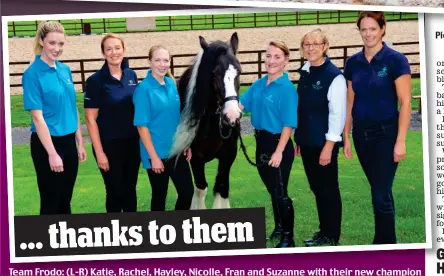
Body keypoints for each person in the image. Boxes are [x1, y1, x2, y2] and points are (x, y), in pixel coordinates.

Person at [343, 11, 411, 244]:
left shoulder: (396, 60)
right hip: (362, 136)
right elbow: (350, 100)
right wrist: (347, 135)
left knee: (380, 194)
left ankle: (385, 244)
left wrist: (400, 140)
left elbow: (405, 103)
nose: (368, 34)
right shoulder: (353, 62)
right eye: (364, 29)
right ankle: (384, 241)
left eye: (373, 28)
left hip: (387, 135)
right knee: (379, 190)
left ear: (382, 29)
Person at [22, 21, 87, 215]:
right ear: (41, 41)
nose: (57, 49)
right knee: (51, 202)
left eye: (61, 44)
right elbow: (37, 118)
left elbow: (72, 106)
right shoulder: (32, 74)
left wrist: (80, 142)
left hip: (68, 142)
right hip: (47, 145)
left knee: (66, 200)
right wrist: (52, 153)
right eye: (52, 43)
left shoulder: (65, 70)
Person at [239, 41, 298, 248]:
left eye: (277, 57)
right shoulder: (258, 84)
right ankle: (279, 227)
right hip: (261, 143)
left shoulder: (287, 89)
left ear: (286, 61)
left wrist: (279, 152)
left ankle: (288, 238)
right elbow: (241, 105)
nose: (271, 61)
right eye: (268, 56)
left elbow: (289, 124)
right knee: (273, 190)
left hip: (277, 144)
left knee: (281, 193)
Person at [294, 29, 347, 247]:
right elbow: (303, 109)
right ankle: (323, 230)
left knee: (328, 189)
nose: (311, 48)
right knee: (317, 188)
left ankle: (331, 235)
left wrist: (329, 146)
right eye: (307, 44)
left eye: (316, 43)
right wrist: (299, 139)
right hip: (307, 142)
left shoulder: (334, 76)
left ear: (325, 46)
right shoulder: (305, 72)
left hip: (324, 144)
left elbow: (338, 114)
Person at [84, 33, 141, 213]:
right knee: (115, 190)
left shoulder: (132, 75)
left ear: (124, 50)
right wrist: (99, 153)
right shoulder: (95, 81)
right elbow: (90, 119)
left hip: (132, 143)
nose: (113, 52)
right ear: (103, 53)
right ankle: (114, 231)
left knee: (130, 188)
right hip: (108, 145)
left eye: (117, 48)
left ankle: (132, 230)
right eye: (109, 49)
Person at [133, 45, 194, 211]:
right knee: (160, 195)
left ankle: (176, 228)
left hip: (175, 150)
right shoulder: (143, 90)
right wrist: (154, 157)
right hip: (156, 153)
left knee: (187, 192)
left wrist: (185, 142)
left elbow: (176, 117)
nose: (162, 64)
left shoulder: (171, 83)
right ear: (150, 62)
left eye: (166, 60)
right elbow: (141, 126)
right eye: (157, 60)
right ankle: (158, 232)